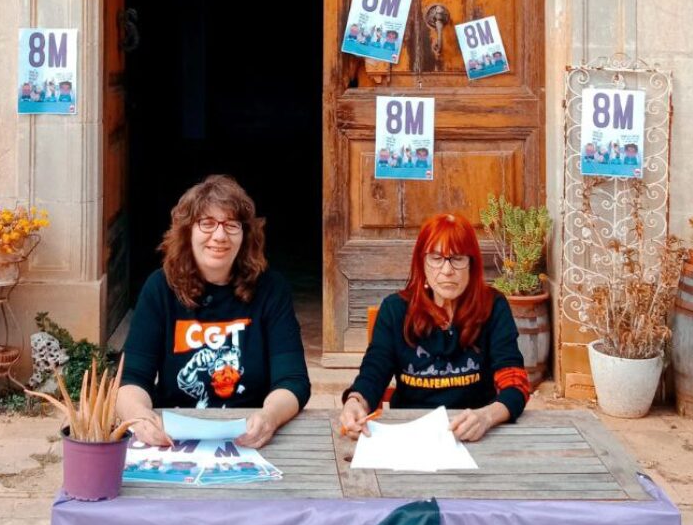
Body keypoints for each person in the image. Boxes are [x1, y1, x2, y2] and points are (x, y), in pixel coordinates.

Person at [117, 175, 310, 449]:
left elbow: (293, 381)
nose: (219, 236)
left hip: (250, 436)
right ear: (187, 232)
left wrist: (269, 418)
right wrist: (138, 417)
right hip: (173, 437)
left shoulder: (270, 289)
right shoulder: (160, 288)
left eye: (231, 225)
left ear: (245, 235)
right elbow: (131, 379)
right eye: (207, 223)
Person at [339, 213, 530, 443]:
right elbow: (373, 374)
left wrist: (487, 416)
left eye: (457, 258)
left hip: (475, 435)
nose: (447, 270)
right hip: (410, 434)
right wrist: (354, 402)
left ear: (472, 264)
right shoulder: (395, 310)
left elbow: (515, 383)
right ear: (422, 264)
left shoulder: (493, 307)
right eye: (437, 258)